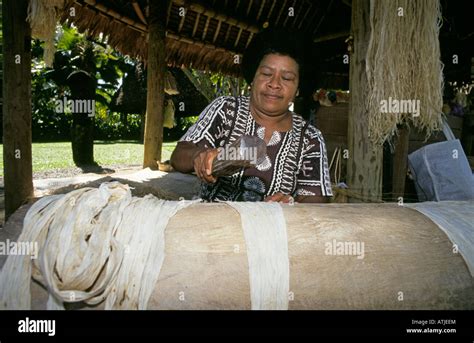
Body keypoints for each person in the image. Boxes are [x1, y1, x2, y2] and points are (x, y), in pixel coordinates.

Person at [170, 30, 332, 203]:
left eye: (286, 78)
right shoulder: (225, 109)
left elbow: (316, 200)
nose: (274, 84)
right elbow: (179, 156)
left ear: (298, 89)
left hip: (274, 228)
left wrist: (292, 204)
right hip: (213, 224)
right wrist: (199, 156)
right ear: (252, 78)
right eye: (266, 74)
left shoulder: (310, 138)